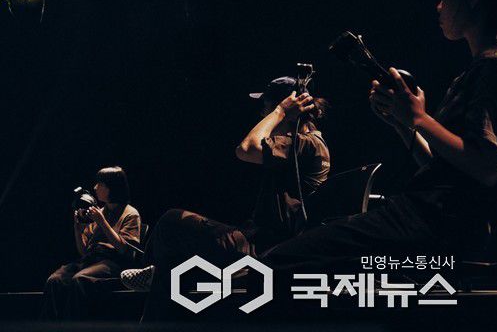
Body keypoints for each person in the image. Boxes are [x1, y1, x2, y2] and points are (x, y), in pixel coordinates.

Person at [260, 0, 497, 280]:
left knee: (276, 265)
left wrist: (420, 118)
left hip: (434, 224)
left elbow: (487, 169)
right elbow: (448, 168)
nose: (439, 5)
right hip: (439, 220)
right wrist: (404, 123)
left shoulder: (496, 67)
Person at [129, 77, 330, 319]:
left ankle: (155, 276)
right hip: (260, 239)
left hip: (265, 247)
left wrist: (279, 111)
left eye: (265, 107)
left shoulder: (304, 144)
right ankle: (159, 276)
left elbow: (245, 149)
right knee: (174, 262)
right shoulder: (305, 144)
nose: (262, 114)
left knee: (171, 221)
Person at [41, 166, 141, 320]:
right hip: (91, 260)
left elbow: (124, 249)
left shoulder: (130, 213)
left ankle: (74, 326)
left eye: (100, 184)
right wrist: (78, 229)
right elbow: (83, 252)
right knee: (55, 280)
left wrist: (102, 222)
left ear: (111, 187)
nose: (95, 187)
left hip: (112, 261)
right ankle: (50, 326)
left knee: (80, 279)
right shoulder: (99, 212)